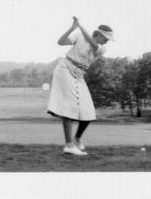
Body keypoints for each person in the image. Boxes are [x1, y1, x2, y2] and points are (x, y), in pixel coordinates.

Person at [47, 17, 114, 156]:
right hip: (65, 69)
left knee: (88, 111)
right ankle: (69, 145)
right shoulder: (79, 35)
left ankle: (76, 139)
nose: (108, 40)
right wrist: (73, 28)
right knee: (69, 107)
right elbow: (60, 42)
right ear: (99, 34)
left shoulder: (102, 48)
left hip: (79, 75)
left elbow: (92, 43)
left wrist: (80, 26)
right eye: (106, 37)